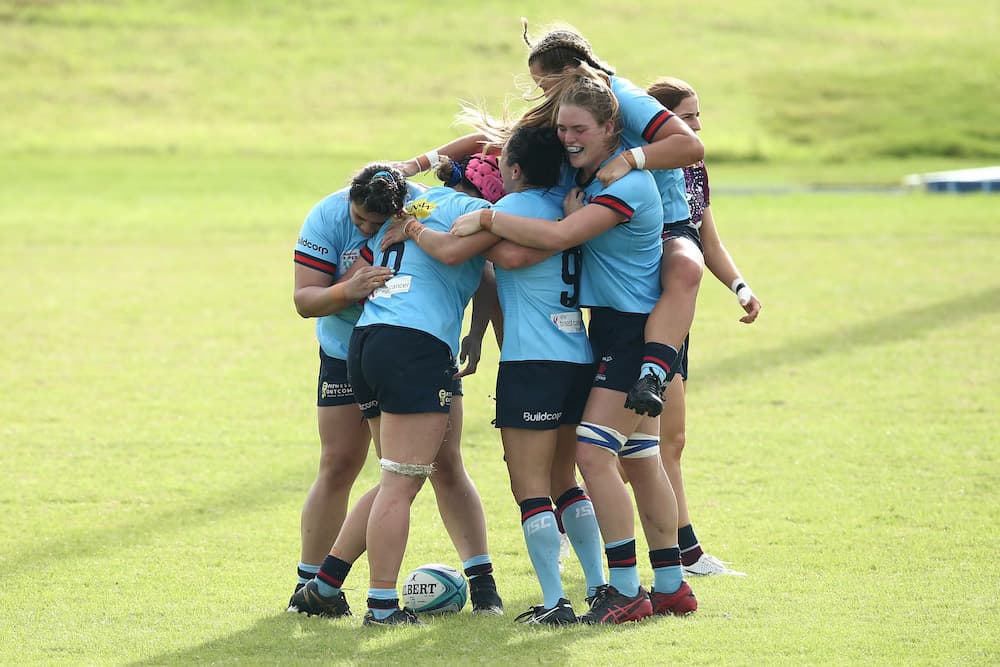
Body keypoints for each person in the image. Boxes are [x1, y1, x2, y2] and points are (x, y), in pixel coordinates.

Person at [452, 73, 698, 623]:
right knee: (640, 456)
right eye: (561, 128)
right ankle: (672, 583)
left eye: (578, 128)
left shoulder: (626, 184)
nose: (566, 138)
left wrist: (489, 216)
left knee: (592, 455)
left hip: (629, 331)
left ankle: (626, 589)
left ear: (612, 127)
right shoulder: (591, 174)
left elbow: (560, 239)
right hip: (613, 330)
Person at [385, 125, 609, 625]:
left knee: (530, 488)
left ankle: (555, 603)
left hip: (532, 362)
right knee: (565, 481)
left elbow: (463, 252)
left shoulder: (510, 212)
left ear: (515, 169)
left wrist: (416, 226)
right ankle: (598, 589)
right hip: (579, 356)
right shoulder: (573, 202)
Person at [290, 161, 505, 626]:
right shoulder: (471, 209)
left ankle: (324, 586)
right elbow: (454, 252)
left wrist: (476, 333)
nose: (365, 227)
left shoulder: (411, 204)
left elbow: (480, 271)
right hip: (414, 344)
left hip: (366, 344)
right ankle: (381, 608)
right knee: (400, 481)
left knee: (400, 475)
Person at [517, 20, 705, 419]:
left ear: (568, 73)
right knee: (635, 450)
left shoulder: (622, 98)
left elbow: (690, 145)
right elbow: (508, 138)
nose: (541, 94)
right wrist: (428, 163)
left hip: (663, 224)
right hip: (605, 230)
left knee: (686, 267)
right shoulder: (569, 111)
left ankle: (652, 374)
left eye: (543, 84)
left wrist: (630, 158)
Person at [645, 76, 761, 576]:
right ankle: (681, 554)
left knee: (667, 441)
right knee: (642, 442)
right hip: (642, 313)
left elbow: (707, 241)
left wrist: (739, 286)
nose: (695, 126)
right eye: (685, 117)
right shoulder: (641, 169)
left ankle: (573, 512)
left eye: (697, 117)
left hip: (679, 315)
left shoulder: (694, 169)